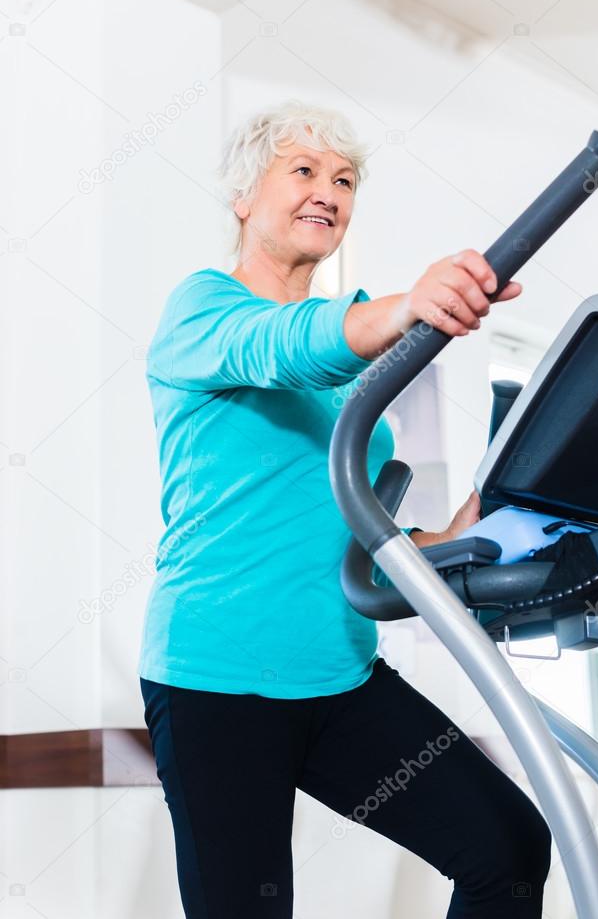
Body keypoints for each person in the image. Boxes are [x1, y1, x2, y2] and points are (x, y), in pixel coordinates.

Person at [138, 100, 552, 918]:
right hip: (217, 680)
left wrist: (482, 512)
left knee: (507, 846)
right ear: (243, 195)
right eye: (303, 170)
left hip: (339, 674)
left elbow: (374, 539)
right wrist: (407, 308)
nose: (327, 190)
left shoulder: (348, 369)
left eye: (344, 178)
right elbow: (286, 345)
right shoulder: (205, 311)